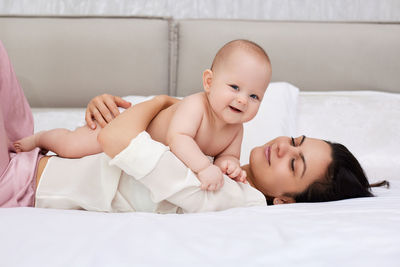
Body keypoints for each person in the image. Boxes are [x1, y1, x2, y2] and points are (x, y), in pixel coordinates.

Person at [0, 41, 387, 212]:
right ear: (209, 81)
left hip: (18, 181)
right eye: (296, 140)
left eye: (295, 164)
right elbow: (125, 132)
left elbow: (120, 139)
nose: (284, 147)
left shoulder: (229, 196)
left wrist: (161, 102)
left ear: (286, 201)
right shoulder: (225, 153)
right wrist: (104, 106)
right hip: (34, 147)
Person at [14, 39, 272, 191]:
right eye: (235, 87)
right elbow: (178, 138)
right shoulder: (196, 106)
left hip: (133, 156)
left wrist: (227, 165)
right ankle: (42, 139)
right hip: (126, 131)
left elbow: (226, 156)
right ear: (208, 82)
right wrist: (204, 167)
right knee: (72, 147)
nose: (242, 99)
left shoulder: (236, 129)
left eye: (254, 96)